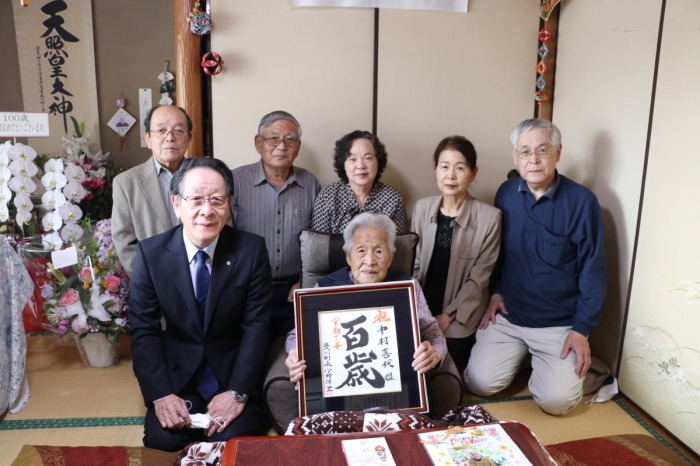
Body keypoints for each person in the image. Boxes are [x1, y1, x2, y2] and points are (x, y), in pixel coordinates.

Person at [129, 157, 272, 451]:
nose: (206, 211)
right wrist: (161, 394)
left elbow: (257, 327)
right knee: (162, 442)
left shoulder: (251, 250)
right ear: (176, 203)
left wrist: (238, 393)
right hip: (178, 380)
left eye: (217, 200)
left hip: (232, 378)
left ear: (229, 203)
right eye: (196, 199)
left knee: (230, 446)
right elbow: (143, 329)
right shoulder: (151, 254)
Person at [465, 119, 606, 415]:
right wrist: (496, 292)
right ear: (516, 157)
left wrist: (581, 329)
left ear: (558, 153)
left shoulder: (582, 202)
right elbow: (498, 253)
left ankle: (570, 366)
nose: (534, 159)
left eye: (542, 150)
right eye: (525, 152)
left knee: (557, 403)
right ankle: (530, 359)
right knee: (479, 383)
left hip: (559, 324)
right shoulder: (505, 193)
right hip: (510, 316)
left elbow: (594, 270)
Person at [285, 212, 461, 418]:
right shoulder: (324, 288)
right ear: (348, 257)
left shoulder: (407, 287)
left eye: (379, 251)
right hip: (337, 398)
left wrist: (436, 353)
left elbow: (431, 330)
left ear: (391, 256)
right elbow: (295, 335)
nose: (369, 261)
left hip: (398, 396)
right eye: (361, 251)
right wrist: (295, 354)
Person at [412, 136, 502, 370]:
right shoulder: (422, 208)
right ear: (435, 171)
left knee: (445, 374)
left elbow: (478, 279)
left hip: (459, 315)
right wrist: (422, 316)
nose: (450, 175)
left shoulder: (490, 218)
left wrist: (446, 317)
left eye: (459, 167)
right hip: (423, 310)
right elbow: (415, 266)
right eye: (444, 167)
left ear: (473, 173)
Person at [231, 111, 320, 339]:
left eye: (290, 139)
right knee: (253, 357)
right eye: (273, 138)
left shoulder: (310, 183)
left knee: (297, 356)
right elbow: (224, 237)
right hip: (248, 290)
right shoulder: (235, 181)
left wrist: (306, 281)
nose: (281, 146)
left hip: (295, 290)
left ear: (298, 146)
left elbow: (319, 240)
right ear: (258, 143)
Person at [112, 105, 192, 276]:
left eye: (178, 130)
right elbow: (124, 241)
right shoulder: (126, 183)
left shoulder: (206, 177)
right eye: (161, 130)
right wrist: (149, 283)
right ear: (147, 138)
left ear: (188, 138)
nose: (170, 138)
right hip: (152, 287)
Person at [310, 130, 408, 234]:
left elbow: (398, 244)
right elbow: (317, 244)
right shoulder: (327, 197)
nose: (361, 166)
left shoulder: (393, 199)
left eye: (368, 158)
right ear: (343, 164)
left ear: (378, 161)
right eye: (353, 159)